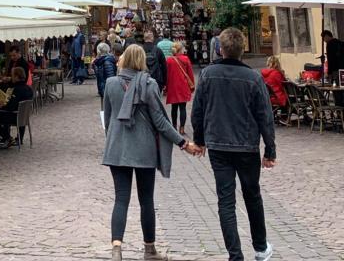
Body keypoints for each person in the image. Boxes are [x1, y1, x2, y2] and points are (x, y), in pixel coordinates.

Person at [103, 45, 196, 260]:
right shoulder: (149, 84)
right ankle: (149, 250)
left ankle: (116, 248)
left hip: (117, 149)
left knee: (121, 199)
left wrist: (114, 139)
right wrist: (183, 143)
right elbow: (161, 122)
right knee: (146, 200)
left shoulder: (110, 84)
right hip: (144, 150)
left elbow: (107, 120)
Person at [191, 27, 276, 261]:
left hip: (218, 145)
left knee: (226, 201)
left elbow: (197, 111)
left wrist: (199, 140)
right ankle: (260, 247)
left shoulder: (208, 74)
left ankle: (235, 255)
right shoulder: (253, 77)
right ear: (242, 50)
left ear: (220, 49)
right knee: (252, 195)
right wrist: (270, 149)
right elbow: (265, 116)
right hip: (246, 145)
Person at [0, 67, 34, 146]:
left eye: (12, 75)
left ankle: (6, 137)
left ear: (17, 77)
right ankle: (18, 138)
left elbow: (11, 107)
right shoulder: (29, 89)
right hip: (23, 116)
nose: (11, 77)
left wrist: (2, 105)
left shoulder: (16, 89)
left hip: (14, 115)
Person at [165, 42, 195, 135]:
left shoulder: (169, 60)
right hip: (183, 86)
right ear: (181, 49)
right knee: (183, 108)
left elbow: (166, 75)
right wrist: (192, 85)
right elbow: (190, 73)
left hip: (173, 86)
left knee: (174, 108)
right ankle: (182, 128)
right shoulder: (185, 59)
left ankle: (174, 127)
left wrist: (166, 87)